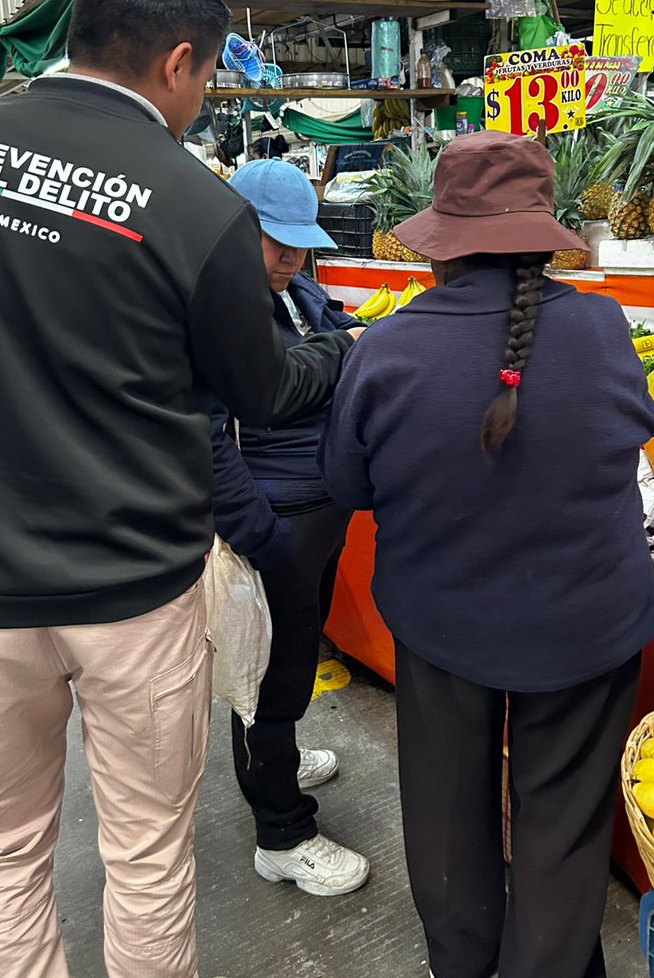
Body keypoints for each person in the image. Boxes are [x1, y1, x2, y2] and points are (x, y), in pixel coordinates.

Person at [0, 0, 361, 978]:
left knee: (1, 852)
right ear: (179, 62)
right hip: (134, 593)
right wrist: (338, 349)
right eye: (204, 80)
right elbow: (263, 389)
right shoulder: (194, 205)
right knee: (147, 857)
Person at [319, 131, 654, 978]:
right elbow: (634, 435)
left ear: (440, 244)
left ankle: (463, 964)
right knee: (561, 826)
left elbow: (347, 485)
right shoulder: (600, 325)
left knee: (444, 814)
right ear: (541, 237)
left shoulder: (385, 350)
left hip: (444, 620)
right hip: (587, 624)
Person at [210, 158, 369, 896]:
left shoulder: (295, 288)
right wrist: (256, 531)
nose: (293, 259)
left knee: (298, 650)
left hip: (320, 511)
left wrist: (352, 333)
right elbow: (208, 434)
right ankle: (282, 831)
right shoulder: (216, 308)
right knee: (266, 673)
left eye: (303, 245)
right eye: (278, 243)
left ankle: (282, 749)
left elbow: (331, 331)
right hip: (275, 517)